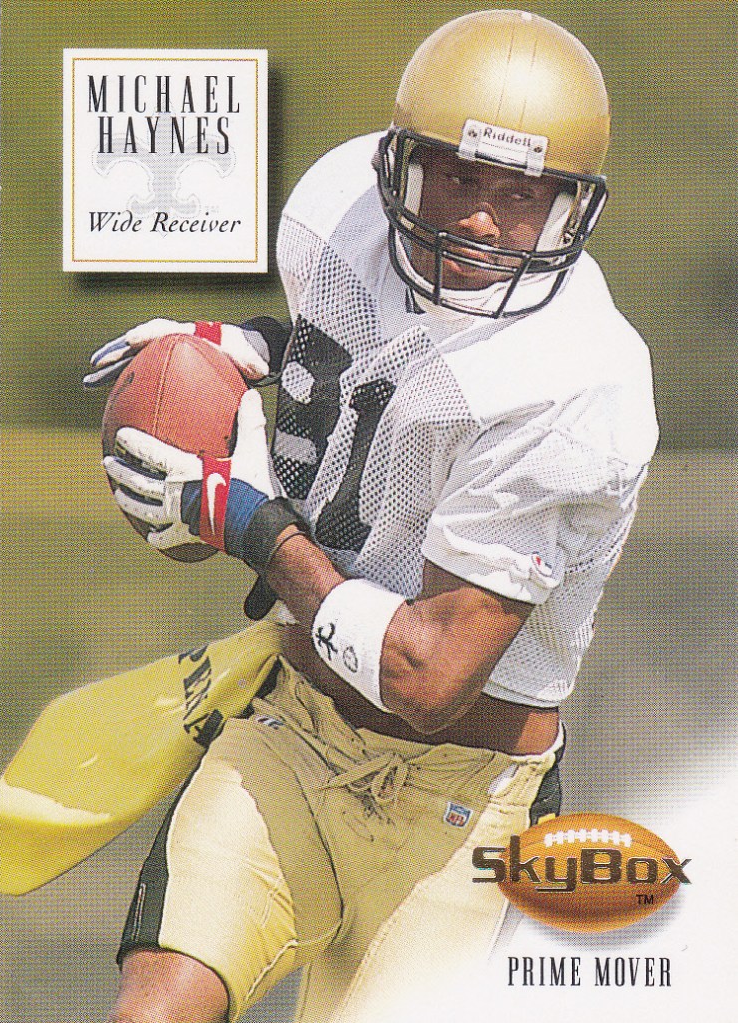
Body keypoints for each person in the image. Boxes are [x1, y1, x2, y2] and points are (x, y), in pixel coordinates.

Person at [87, 10, 658, 1023]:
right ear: (399, 164)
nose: (479, 219)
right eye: (457, 176)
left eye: (519, 194)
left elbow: (426, 677)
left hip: (465, 805)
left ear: (570, 207)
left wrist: (251, 523)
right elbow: (382, 356)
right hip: (293, 733)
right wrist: (253, 347)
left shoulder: (575, 383)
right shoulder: (343, 219)